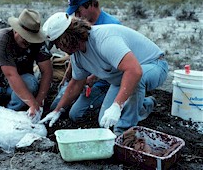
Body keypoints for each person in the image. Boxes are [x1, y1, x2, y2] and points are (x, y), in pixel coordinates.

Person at [39, 12, 168, 135]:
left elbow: (135, 71)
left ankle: (123, 132)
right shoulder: (77, 56)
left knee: (134, 86)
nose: (59, 49)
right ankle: (145, 105)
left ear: (66, 37)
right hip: (122, 77)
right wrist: (58, 110)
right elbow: (76, 83)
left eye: (57, 44)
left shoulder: (104, 40)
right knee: (104, 122)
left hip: (153, 65)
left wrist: (117, 105)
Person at [50, 0, 121, 123]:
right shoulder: (79, 24)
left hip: (106, 82)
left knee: (76, 114)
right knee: (56, 106)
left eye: (78, 10)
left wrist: (93, 77)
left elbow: (116, 64)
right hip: (84, 79)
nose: (76, 15)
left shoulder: (111, 25)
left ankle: (139, 103)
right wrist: (68, 74)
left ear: (90, 5)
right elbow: (76, 53)